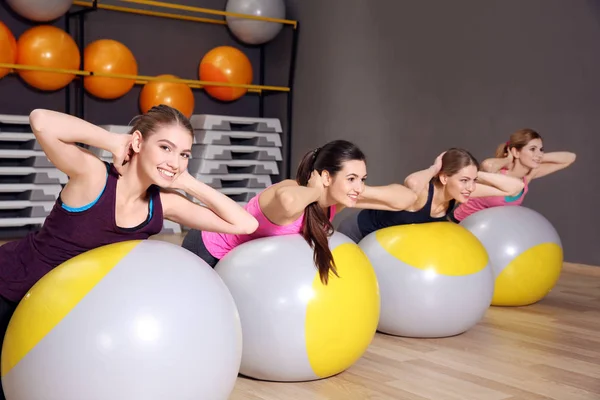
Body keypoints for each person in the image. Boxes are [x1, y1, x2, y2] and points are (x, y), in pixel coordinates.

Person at [0, 105, 259, 399]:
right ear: (137, 143)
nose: (174, 161)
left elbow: (244, 224)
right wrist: (113, 141)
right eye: (165, 148)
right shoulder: (94, 175)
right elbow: (41, 120)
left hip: (63, 313)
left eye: (184, 154)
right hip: (12, 288)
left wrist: (187, 181)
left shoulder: (163, 204)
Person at [181, 139, 418, 284]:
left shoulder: (337, 199)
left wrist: (360, 190)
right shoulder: (291, 188)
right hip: (208, 250)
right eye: (351, 178)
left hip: (242, 268)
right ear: (326, 177)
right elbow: (288, 203)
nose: (358, 185)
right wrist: (316, 192)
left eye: (362, 178)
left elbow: (407, 199)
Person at [337, 147, 526, 242]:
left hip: (384, 244)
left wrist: (475, 174)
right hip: (358, 233)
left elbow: (515, 187)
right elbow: (411, 182)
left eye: (472, 181)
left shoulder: (461, 191)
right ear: (444, 178)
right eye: (463, 180)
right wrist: (434, 168)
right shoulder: (422, 193)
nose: (470, 187)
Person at [451, 128, 576, 222]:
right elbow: (487, 166)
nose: (539, 153)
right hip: (459, 223)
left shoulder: (528, 176)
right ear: (516, 152)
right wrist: (508, 159)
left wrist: (537, 157)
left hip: (486, 231)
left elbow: (570, 158)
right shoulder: (498, 173)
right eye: (532, 149)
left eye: (541, 149)